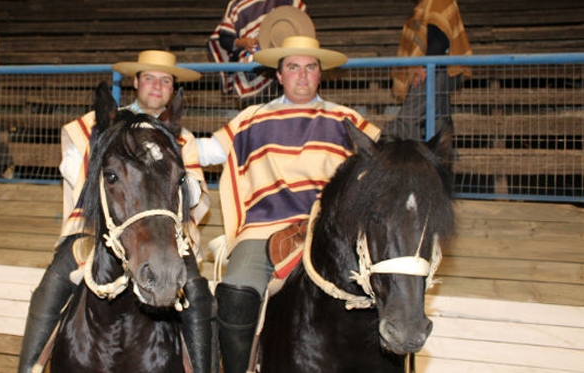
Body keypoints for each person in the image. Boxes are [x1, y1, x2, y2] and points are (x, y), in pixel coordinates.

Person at [18, 50, 217, 373]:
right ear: (135, 82)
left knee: (196, 292)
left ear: (172, 89)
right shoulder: (105, 125)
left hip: (164, 234)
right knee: (52, 284)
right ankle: (29, 367)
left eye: (165, 80)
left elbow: (193, 192)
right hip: (97, 231)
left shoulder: (182, 139)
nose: (157, 86)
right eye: (149, 78)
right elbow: (74, 168)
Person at [195, 36, 381, 373]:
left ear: (320, 74)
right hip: (264, 228)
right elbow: (206, 152)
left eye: (310, 68)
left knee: (389, 286)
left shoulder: (347, 120)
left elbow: (381, 166)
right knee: (236, 290)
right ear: (279, 76)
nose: (302, 76)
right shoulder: (252, 118)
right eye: (293, 68)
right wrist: (157, 141)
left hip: (328, 230)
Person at [383, 0, 471, 140]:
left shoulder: (437, 2)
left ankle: (404, 157)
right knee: (439, 120)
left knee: (408, 119)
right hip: (440, 69)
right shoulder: (426, 4)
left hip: (435, 70)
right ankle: (437, 159)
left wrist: (424, 68)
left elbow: (440, 39)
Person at [207, 0, 307, 100]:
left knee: (285, 111)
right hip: (252, 68)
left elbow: (303, 28)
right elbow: (225, 38)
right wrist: (242, 42)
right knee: (255, 111)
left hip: (286, 66)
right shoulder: (237, 4)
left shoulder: (288, 1)